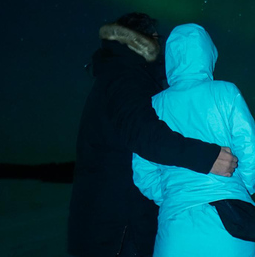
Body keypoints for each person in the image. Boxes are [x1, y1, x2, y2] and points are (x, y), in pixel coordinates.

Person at [68, 13, 239, 257]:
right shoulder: (125, 76)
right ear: (144, 41)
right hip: (119, 227)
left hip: (116, 221)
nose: (162, 47)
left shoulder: (124, 75)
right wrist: (207, 157)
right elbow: (144, 133)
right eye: (158, 38)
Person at [132, 23, 255, 257]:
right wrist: (241, 185)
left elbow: (143, 170)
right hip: (231, 222)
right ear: (208, 53)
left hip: (176, 224)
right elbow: (250, 148)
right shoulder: (225, 92)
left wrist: (172, 195)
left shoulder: (154, 105)